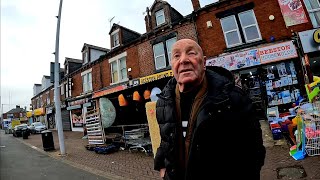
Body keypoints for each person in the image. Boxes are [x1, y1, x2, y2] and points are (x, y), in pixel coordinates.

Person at [154, 39, 266, 180]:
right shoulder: (163, 102)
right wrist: (162, 168)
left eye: (191, 53)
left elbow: (253, 151)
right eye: (176, 56)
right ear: (172, 66)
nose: (183, 60)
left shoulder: (233, 98)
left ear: (204, 62)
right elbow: (166, 140)